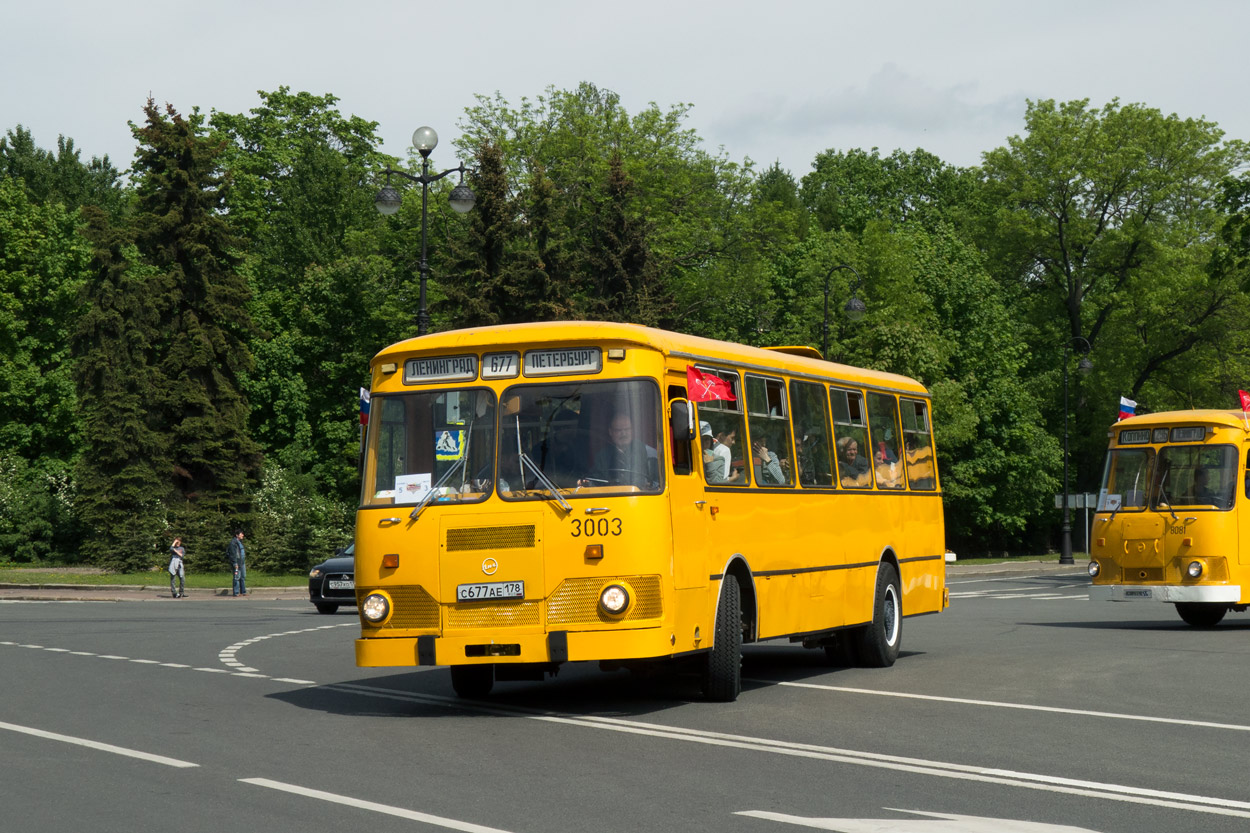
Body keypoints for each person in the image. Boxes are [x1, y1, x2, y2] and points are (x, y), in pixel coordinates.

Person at [585, 413, 657, 488]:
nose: (624, 434)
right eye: (618, 430)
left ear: (632, 430)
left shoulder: (648, 453)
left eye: (627, 429)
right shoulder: (602, 457)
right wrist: (588, 483)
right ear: (610, 432)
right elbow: (595, 481)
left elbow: (659, 483)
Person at [227, 530, 248, 597]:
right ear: (237, 535)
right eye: (241, 534)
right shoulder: (233, 543)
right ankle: (236, 593)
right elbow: (232, 554)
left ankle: (243, 592)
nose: (243, 535)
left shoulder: (239, 542)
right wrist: (235, 563)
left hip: (242, 562)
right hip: (237, 562)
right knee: (237, 577)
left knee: (243, 577)